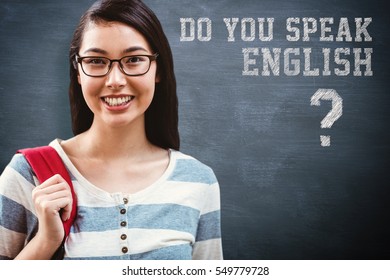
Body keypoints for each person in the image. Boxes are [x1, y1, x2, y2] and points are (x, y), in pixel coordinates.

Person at [0, 0, 222, 260]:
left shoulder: (198, 181)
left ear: (157, 69)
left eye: (134, 60)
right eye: (96, 61)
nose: (115, 80)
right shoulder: (27, 175)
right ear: (78, 72)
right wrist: (46, 241)